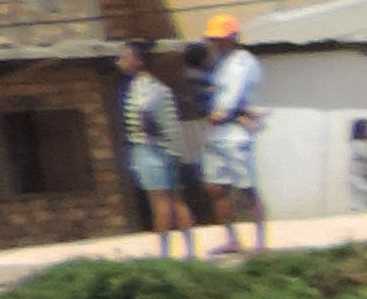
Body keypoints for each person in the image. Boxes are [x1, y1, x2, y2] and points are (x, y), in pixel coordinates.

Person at [190, 16, 269, 254]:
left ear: (233, 38)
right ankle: (232, 239)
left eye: (220, 38)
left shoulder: (242, 63)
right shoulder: (218, 63)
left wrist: (219, 113)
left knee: (246, 187)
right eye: (213, 39)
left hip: (234, 132)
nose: (216, 43)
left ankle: (260, 242)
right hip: (217, 133)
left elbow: (231, 97)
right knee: (216, 187)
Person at [115, 41, 196, 254]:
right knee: (176, 199)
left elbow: (147, 118)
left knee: (159, 201)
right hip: (166, 148)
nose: (120, 61)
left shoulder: (143, 89)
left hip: (150, 148)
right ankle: (189, 249)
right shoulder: (157, 87)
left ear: (138, 60)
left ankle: (165, 252)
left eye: (125, 57)